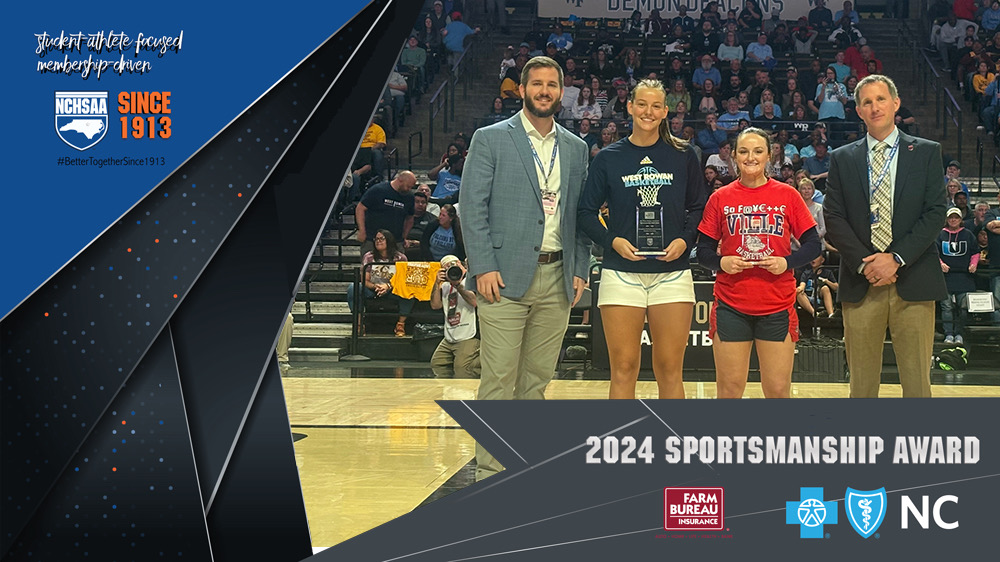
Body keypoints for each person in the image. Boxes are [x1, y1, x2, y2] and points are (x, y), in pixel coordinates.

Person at [460, 56, 590, 480]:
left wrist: (580, 267)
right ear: (521, 89)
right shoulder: (490, 138)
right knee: (499, 379)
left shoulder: (576, 147)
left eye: (552, 84)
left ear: (561, 92)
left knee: (536, 381)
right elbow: (472, 207)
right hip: (502, 277)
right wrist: (482, 265)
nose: (544, 91)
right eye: (537, 84)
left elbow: (580, 215)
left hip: (558, 276)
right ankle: (490, 475)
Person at [577, 79, 704, 399]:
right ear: (630, 107)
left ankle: (671, 435)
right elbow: (585, 212)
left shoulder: (684, 154)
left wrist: (685, 240)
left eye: (656, 106)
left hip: (672, 273)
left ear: (665, 112)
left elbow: (699, 207)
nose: (649, 111)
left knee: (670, 369)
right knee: (623, 368)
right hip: (621, 273)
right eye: (642, 104)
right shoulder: (608, 157)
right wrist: (612, 241)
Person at [823, 75, 947, 398]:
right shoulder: (842, 158)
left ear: (896, 103)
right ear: (858, 111)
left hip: (914, 278)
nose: (874, 107)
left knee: (918, 387)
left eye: (880, 99)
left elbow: (935, 212)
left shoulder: (926, 152)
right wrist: (867, 264)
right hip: (862, 281)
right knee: (861, 388)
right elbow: (833, 217)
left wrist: (896, 258)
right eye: (867, 102)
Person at [696, 128, 822, 398]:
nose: (750, 157)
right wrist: (721, 262)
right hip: (731, 305)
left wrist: (786, 262)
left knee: (777, 391)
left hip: (777, 304)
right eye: (743, 151)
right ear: (734, 155)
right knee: (729, 390)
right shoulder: (720, 197)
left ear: (769, 156)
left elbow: (813, 244)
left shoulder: (787, 195)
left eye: (757, 151)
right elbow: (703, 251)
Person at [346, 229, 415, 337]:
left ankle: (400, 324)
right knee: (353, 288)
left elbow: (402, 280)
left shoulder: (400, 258)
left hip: (393, 289)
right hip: (372, 289)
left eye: (381, 239)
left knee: (410, 289)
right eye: (376, 239)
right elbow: (364, 280)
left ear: (389, 240)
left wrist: (388, 286)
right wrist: (375, 286)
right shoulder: (369, 257)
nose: (378, 241)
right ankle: (359, 324)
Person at [430, 255, 481, 379]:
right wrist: (436, 283)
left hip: (469, 334)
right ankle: (446, 388)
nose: (452, 268)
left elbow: (474, 302)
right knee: (437, 363)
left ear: (461, 264)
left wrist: (458, 284)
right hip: (450, 335)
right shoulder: (445, 285)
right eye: (447, 267)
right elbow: (435, 305)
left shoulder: (472, 280)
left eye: (453, 264)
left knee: (463, 368)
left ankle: (484, 364)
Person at [938, 207, 980, 344]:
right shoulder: (940, 234)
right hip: (946, 277)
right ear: (947, 219)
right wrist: (941, 263)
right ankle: (948, 334)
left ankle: (959, 334)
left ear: (960, 219)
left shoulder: (968, 234)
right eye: (951, 217)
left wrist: (973, 264)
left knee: (963, 308)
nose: (953, 220)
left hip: (964, 277)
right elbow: (935, 253)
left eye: (956, 217)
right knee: (946, 306)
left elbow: (975, 251)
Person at [356, 170, 416, 257]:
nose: (409, 189)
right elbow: (360, 208)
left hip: (396, 241)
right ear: (400, 180)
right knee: (369, 263)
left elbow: (410, 218)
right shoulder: (378, 190)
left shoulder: (409, 197)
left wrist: (404, 236)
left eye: (411, 187)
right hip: (373, 238)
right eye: (408, 186)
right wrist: (362, 230)